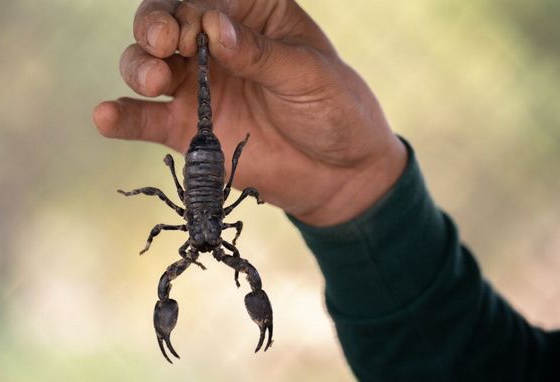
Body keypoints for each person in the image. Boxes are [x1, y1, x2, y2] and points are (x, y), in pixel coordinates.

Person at [92, 0, 559, 380]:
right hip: (210, 172)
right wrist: (356, 192)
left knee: (175, 256)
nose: (212, 250)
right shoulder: (223, 232)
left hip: (201, 173)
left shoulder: (197, 238)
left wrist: (350, 195)